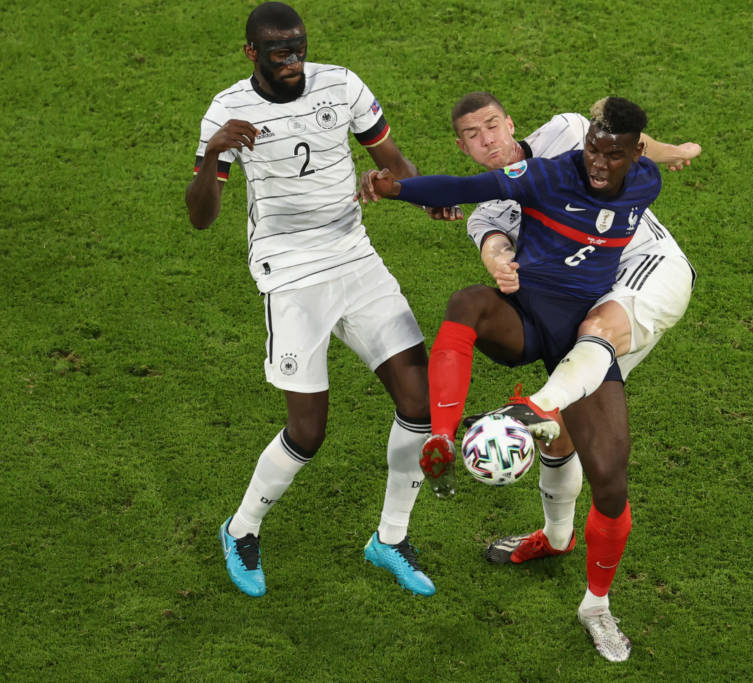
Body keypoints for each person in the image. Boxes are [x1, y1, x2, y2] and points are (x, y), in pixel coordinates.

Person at [359, 97, 661, 661]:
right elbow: (465, 188)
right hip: (524, 321)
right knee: (468, 302)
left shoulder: (647, 182)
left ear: (635, 154)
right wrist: (396, 189)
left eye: (612, 155)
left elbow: (653, 155)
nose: (598, 164)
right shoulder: (549, 174)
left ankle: (596, 606)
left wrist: (683, 149)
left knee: (611, 482)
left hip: (583, 342)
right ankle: (443, 434)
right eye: (592, 151)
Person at [186, 1, 458, 599]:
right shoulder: (227, 111)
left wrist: (421, 194)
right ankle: (240, 529)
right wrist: (213, 155)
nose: (293, 61)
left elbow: (392, 162)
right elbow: (201, 217)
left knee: (420, 402)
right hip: (289, 271)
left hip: (355, 257)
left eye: (299, 48)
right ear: (252, 53)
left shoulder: (342, 85)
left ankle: (390, 538)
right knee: (307, 431)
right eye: (279, 52)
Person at [447, 93, 699, 579]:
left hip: (647, 272)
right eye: (473, 136)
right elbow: (493, 244)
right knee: (564, 416)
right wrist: (499, 263)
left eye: (492, 126)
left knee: (587, 350)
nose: (488, 140)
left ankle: (533, 409)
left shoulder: (565, 132)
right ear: (463, 148)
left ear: (510, 123)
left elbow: (629, 141)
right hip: (584, 302)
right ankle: (557, 535)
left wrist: (677, 152)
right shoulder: (488, 211)